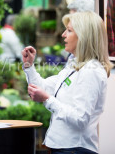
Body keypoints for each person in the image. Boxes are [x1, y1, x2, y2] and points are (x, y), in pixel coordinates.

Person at [22, 12, 113, 154]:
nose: (63, 34)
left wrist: (47, 99)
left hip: (74, 149)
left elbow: (80, 119)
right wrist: (29, 66)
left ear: (84, 36)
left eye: (69, 30)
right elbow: (43, 87)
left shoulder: (91, 71)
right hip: (65, 148)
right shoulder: (74, 65)